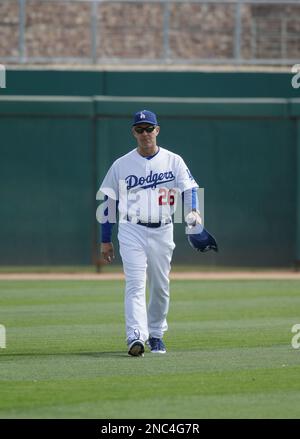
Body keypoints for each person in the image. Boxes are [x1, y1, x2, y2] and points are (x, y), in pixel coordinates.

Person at [98, 110, 201, 357]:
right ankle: (136, 336)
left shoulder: (173, 160)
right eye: (140, 129)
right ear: (134, 132)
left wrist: (194, 212)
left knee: (160, 286)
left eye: (149, 128)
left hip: (163, 228)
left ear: (157, 130)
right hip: (131, 229)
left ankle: (156, 334)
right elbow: (108, 202)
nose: (145, 133)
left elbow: (189, 188)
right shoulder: (121, 164)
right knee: (135, 284)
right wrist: (105, 239)